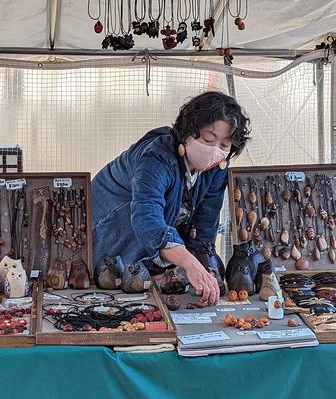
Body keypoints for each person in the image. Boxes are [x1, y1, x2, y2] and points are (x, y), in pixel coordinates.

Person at [91, 91, 250, 304]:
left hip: (151, 241)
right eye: (208, 139)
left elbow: (206, 221)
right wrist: (188, 263)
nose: (214, 151)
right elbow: (146, 214)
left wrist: (201, 264)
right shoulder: (156, 157)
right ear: (188, 132)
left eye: (224, 145)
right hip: (113, 228)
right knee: (109, 285)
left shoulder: (217, 166)